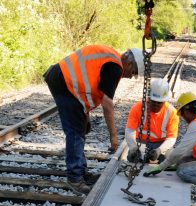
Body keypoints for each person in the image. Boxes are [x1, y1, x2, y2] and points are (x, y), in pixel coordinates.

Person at [44, 45, 144, 195]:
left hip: (64, 80)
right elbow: (107, 104)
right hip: (64, 82)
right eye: (133, 73)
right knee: (75, 132)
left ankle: (82, 172)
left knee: (81, 128)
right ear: (129, 64)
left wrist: (86, 114)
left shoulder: (111, 60)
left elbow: (88, 83)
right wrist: (114, 137)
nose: (130, 77)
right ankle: (75, 179)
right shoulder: (115, 67)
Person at [125, 78, 179, 163]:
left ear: (165, 101)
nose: (156, 105)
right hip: (141, 143)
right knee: (133, 157)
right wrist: (133, 148)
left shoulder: (172, 112)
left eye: (159, 103)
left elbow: (171, 138)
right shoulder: (137, 108)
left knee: (170, 158)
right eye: (153, 102)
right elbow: (130, 131)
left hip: (161, 144)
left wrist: (159, 150)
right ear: (148, 98)